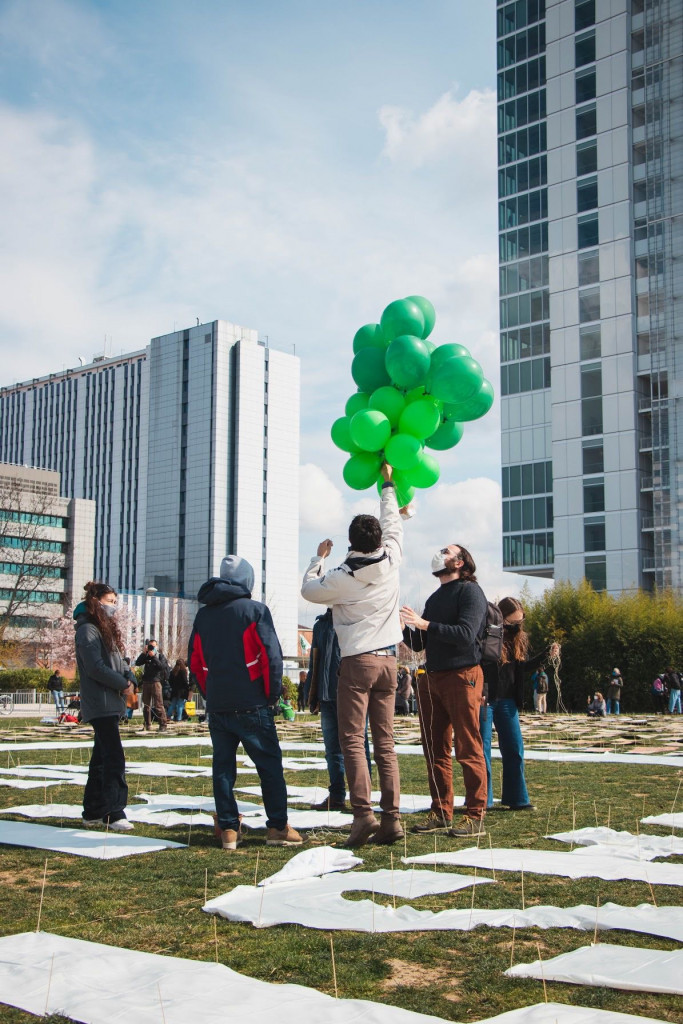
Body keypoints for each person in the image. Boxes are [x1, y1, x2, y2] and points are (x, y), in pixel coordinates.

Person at [301, 464, 404, 848]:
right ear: (378, 540)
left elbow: (309, 590)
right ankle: (392, 818)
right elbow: (392, 520)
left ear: (350, 542)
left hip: (357, 662)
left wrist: (318, 558)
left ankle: (363, 816)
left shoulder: (342, 577)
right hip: (389, 661)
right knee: (386, 742)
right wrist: (388, 482)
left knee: (352, 740)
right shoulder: (392, 559)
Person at [188, 554, 303, 850]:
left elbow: (195, 660)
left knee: (223, 768)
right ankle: (277, 826)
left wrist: (209, 692)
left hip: (218, 703)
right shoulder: (255, 611)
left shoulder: (204, 615)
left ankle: (228, 828)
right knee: (269, 767)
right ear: (247, 581)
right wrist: (271, 695)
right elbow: (272, 658)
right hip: (252, 702)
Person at [401, 544, 488, 838]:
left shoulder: (470, 592)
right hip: (432, 678)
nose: (438, 554)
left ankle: (475, 815)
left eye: (445, 550)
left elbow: (465, 634)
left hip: (463, 676)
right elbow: (419, 644)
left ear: (460, 561)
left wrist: (425, 623)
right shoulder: (435, 597)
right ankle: (440, 811)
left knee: (468, 746)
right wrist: (405, 626)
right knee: (434, 748)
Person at [481, 597, 560, 812]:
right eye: (511, 623)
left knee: (515, 748)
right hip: (485, 697)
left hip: (507, 699)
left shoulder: (520, 639)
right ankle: (482, 800)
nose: (515, 627)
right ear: (500, 617)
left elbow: (522, 668)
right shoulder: (486, 633)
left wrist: (546, 655)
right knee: (483, 749)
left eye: (519, 622)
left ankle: (517, 798)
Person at [73, 581, 137, 831]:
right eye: (109, 602)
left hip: (110, 701)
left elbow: (118, 660)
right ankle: (114, 811)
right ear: (96, 601)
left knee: (100, 758)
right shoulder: (88, 630)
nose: (113, 607)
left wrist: (129, 676)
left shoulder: (103, 629)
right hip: (100, 702)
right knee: (113, 758)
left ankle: (93, 811)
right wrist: (122, 684)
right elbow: (95, 667)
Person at [135, 639, 169, 732]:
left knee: (158, 704)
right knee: (146, 705)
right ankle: (147, 724)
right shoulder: (146, 656)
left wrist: (153, 657)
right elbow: (137, 663)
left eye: (153, 646)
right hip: (146, 682)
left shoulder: (160, 656)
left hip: (156, 682)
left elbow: (162, 667)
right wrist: (143, 653)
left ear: (156, 647)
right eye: (150, 646)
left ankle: (163, 725)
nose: (151, 648)